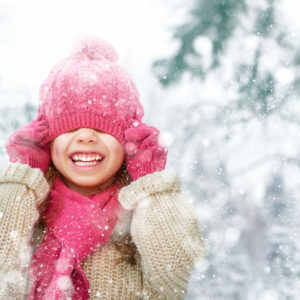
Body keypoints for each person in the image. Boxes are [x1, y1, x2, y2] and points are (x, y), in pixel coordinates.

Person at [0, 36, 206, 300]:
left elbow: (175, 275)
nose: (86, 136)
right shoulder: (26, 209)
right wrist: (22, 179)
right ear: (47, 140)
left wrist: (151, 182)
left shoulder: (144, 213)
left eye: (101, 128)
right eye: (71, 127)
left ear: (128, 141)